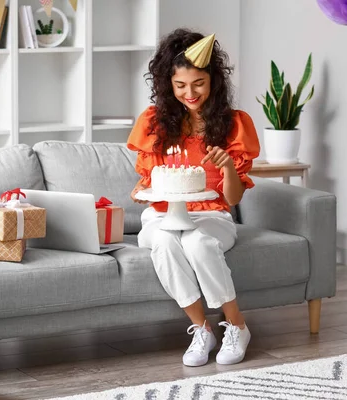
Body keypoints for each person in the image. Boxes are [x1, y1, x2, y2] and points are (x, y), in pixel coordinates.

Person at [127, 29, 260, 367]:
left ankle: (237, 325)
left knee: (198, 243)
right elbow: (149, 180)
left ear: (213, 79)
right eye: (180, 85)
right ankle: (202, 329)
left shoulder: (234, 124)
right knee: (166, 242)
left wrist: (228, 167)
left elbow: (231, 197)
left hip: (212, 215)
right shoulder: (154, 124)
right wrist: (143, 192)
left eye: (198, 83)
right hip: (161, 214)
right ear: (167, 84)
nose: (190, 93)